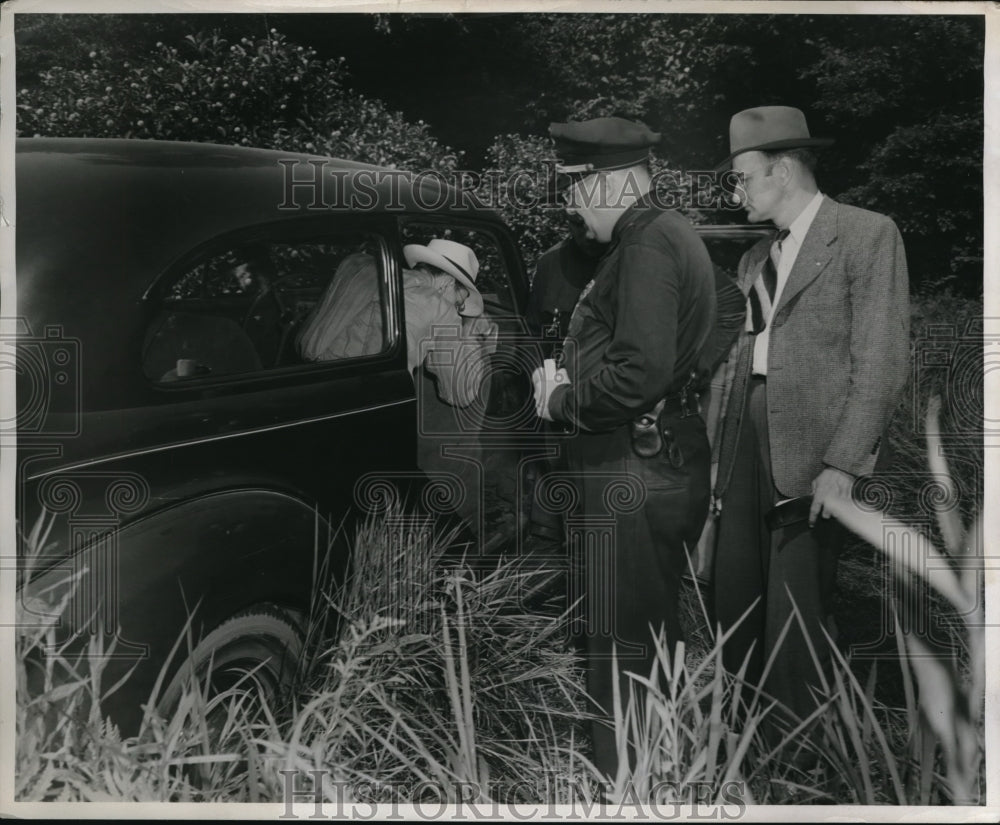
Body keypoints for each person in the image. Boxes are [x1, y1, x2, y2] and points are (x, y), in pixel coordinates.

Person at [711, 106, 910, 742]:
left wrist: (844, 464)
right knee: (736, 587)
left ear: (785, 169)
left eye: (741, 177)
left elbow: (880, 362)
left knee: (798, 602)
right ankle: (734, 733)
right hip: (746, 431)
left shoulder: (866, 234)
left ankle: (794, 756)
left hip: (813, 447)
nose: (734, 191)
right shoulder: (754, 259)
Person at [531, 116, 718, 779]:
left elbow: (640, 371)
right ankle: (655, 769)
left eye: (576, 187)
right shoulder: (666, 235)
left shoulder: (644, 247)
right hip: (653, 459)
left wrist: (560, 400)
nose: (571, 204)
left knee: (619, 638)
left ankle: (627, 786)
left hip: (627, 467)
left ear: (609, 181)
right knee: (645, 632)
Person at [297, 239, 498, 531]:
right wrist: (473, 336)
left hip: (317, 404)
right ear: (447, 285)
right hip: (369, 426)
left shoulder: (368, 275)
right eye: (460, 298)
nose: (459, 307)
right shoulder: (437, 304)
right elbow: (461, 393)